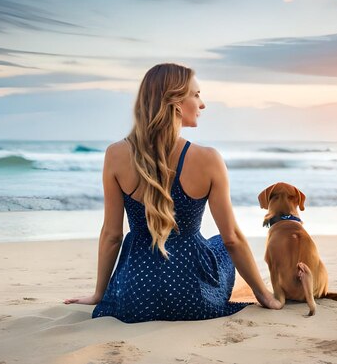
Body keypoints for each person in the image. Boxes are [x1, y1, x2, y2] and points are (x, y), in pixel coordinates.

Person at [63, 63, 282, 323]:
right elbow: (232, 239)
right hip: (193, 299)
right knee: (221, 242)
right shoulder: (208, 159)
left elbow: (112, 236)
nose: (202, 105)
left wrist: (99, 294)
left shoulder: (115, 154)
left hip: (134, 298)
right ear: (176, 102)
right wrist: (265, 296)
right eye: (197, 94)